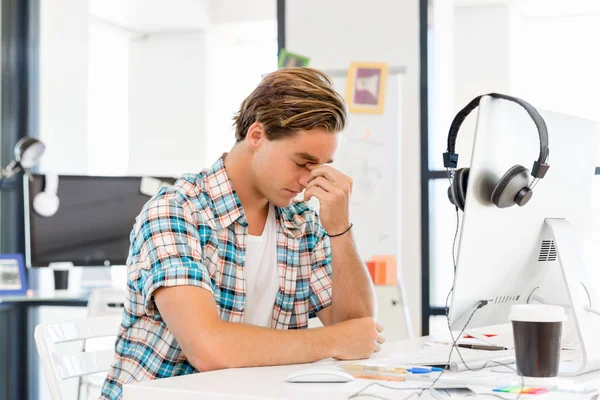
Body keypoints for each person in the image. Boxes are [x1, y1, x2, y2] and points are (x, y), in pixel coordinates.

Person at [100, 68, 384, 400]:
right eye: (302, 162)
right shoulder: (177, 211)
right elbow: (209, 349)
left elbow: (358, 329)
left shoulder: (300, 221)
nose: (311, 180)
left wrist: (340, 229)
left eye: (321, 165)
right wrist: (332, 340)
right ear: (257, 136)